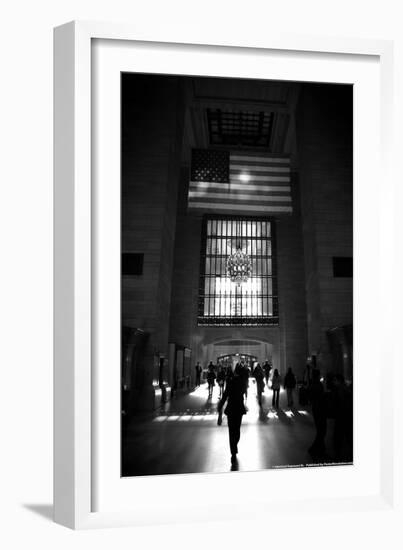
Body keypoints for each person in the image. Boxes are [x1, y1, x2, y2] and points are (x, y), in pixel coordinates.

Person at [217, 363, 247, 464]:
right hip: (236, 408)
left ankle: (233, 447)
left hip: (233, 408)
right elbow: (226, 394)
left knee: (233, 430)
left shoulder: (236, 381)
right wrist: (221, 405)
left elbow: (226, 394)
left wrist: (220, 405)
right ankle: (233, 450)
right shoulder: (236, 381)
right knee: (236, 430)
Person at [308, 368, 327, 460]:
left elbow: (311, 397)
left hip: (316, 408)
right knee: (322, 430)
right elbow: (321, 396)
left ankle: (322, 450)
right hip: (320, 409)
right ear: (318, 375)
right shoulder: (318, 384)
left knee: (321, 430)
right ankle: (314, 449)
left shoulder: (312, 384)